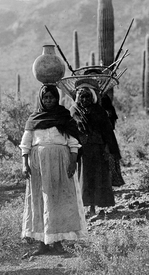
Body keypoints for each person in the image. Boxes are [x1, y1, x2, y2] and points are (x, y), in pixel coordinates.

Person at [20, 84, 87, 257]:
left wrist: (72, 162)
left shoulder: (64, 118)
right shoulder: (33, 119)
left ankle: (57, 242)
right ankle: (42, 243)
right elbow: (26, 144)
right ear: (41, 99)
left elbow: (73, 143)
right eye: (45, 97)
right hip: (38, 166)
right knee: (40, 201)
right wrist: (24, 164)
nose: (48, 100)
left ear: (57, 99)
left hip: (61, 163)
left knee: (59, 200)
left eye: (52, 97)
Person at [74, 81, 122, 216]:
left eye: (87, 96)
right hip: (81, 151)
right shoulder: (74, 111)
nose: (85, 99)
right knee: (83, 177)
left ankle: (93, 207)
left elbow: (107, 132)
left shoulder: (99, 111)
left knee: (96, 177)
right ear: (78, 98)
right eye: (82, 97)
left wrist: (108, 148)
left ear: (92, 97)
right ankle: (84, 206)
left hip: (98, 149)